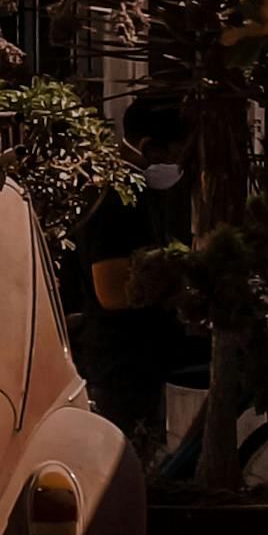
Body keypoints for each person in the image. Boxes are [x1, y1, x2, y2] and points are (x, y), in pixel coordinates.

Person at [69, 85, 205, 461]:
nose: (187, 162)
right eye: (181, 150)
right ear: (150, 148)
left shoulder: (137, 191)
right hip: (124, 356)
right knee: (130, 459)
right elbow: (112, 290)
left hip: (140, 349)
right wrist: (181, 279)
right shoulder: (118, 199)